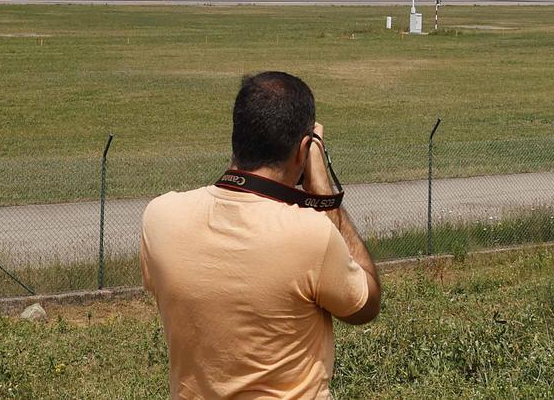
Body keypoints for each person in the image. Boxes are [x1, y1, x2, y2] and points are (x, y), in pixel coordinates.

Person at [141, 71, 380, 399]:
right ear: (304, 150)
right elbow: (365, 305)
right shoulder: (310, 233)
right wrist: (323, 194)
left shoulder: (160, 218)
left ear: (237, 137)